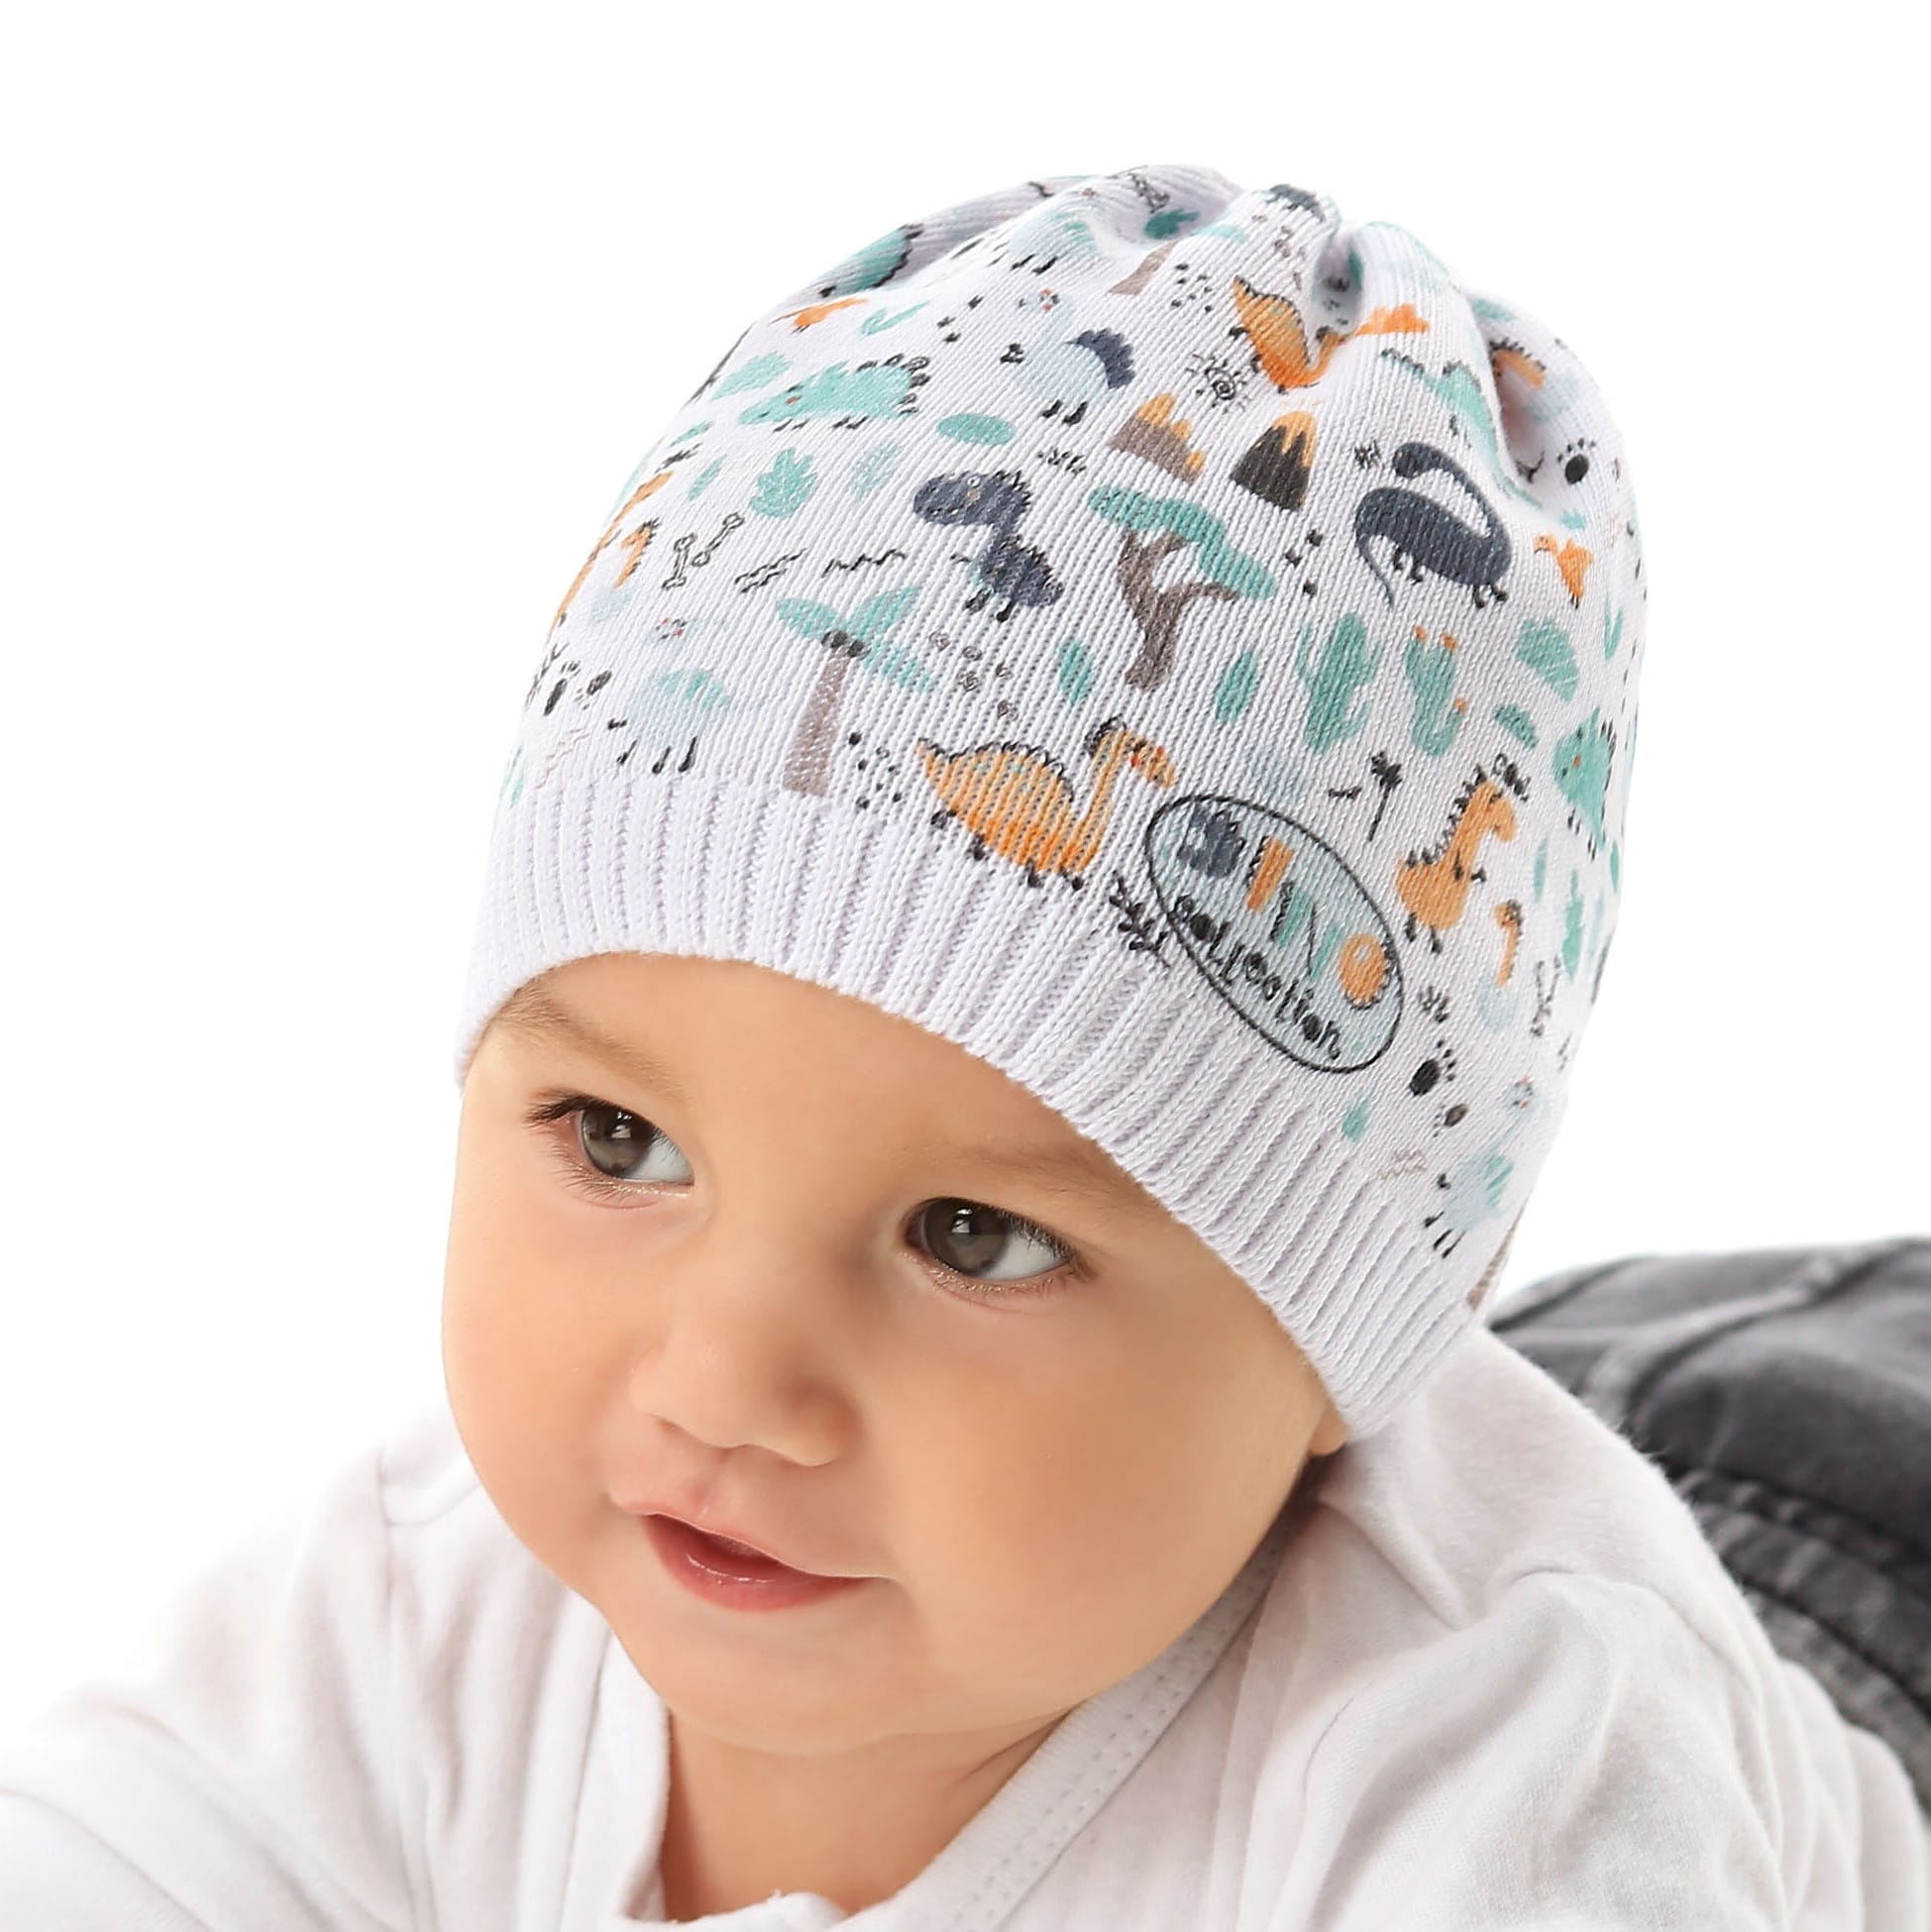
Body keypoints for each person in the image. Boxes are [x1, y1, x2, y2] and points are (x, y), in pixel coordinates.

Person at [1, 161, 1924, 1927]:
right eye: (615, 1138)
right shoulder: (416, 1606)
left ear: (1354, 1339)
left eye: (974, 1237)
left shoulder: (1511, 1756)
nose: (726, 1382)